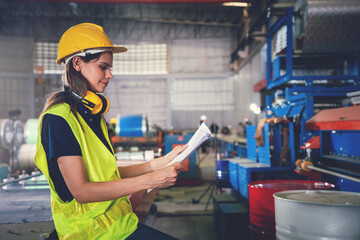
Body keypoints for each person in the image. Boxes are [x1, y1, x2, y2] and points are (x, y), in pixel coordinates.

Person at [34, 23, 187, 240]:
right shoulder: (59, 119)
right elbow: (82, 191)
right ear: (77, 63)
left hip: (121, 227)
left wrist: (161, 163)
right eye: (103, 67)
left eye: (110, 68)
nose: (110, 75)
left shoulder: (92, 115)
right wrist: (152, 180)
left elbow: (107, 174)